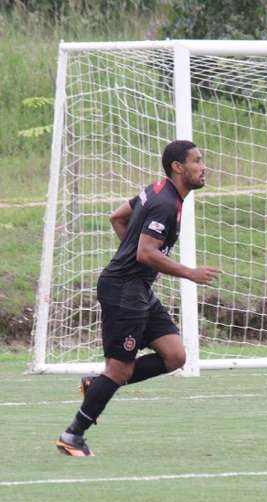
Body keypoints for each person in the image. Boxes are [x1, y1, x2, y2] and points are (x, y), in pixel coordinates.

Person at [56, 140, 221, 456]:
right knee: (119, 370)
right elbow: (147, 253)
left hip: (138, 289)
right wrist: (189, 273)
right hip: (123, 292)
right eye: (197, 161)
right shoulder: (163, 203)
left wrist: (132, 253)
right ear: (178, 166)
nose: (204, 167)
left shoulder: (157, 190)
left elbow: (117, 217)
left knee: (175, 356)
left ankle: (96, 387)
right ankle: (73, 435)